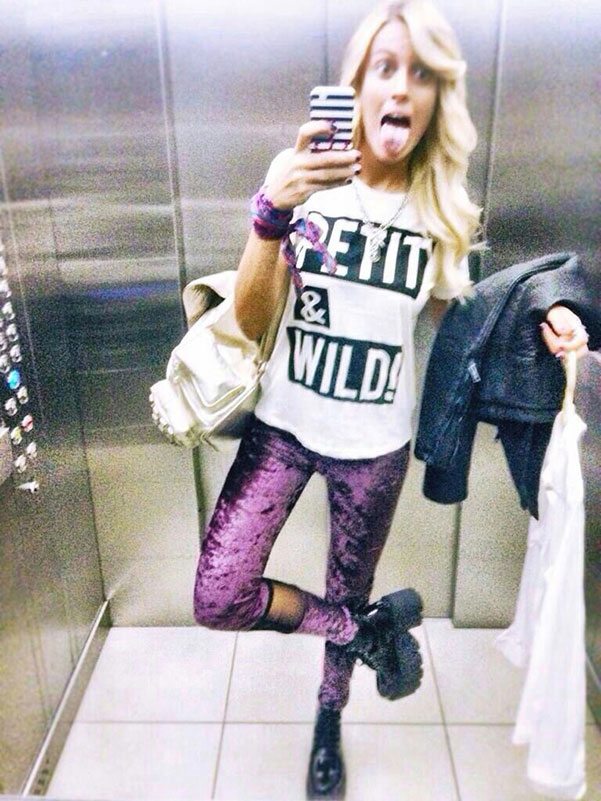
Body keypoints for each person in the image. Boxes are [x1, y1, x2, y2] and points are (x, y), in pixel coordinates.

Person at [193, 2, 589, 798]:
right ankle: (362, 630)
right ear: (357, 87)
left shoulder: (440, 215)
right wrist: (270, 215)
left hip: (375, 448)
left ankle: (328, 719)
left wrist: (549, 316)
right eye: (384, 67)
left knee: (350, 580)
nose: (401, 87)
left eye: (422, 74)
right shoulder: (303, 183)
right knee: (217, 592)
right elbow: (251, 319)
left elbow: (471, 320)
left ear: (436, 100)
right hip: (281, 430)